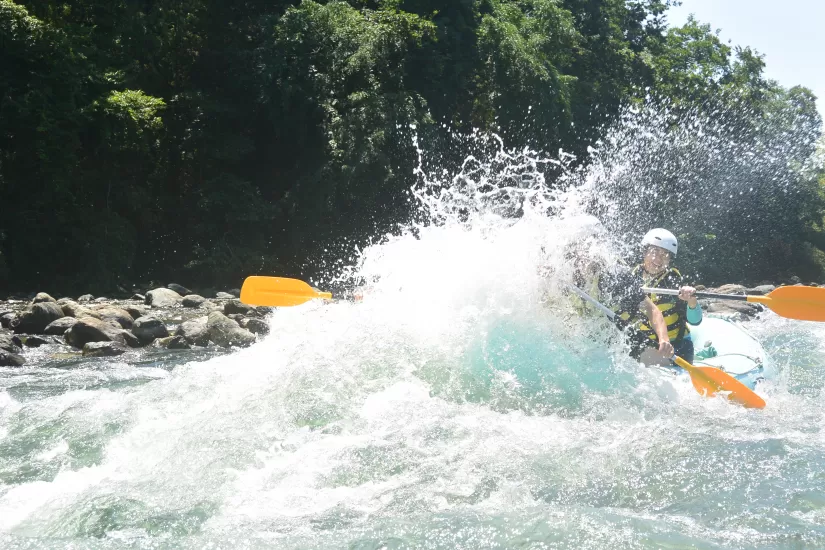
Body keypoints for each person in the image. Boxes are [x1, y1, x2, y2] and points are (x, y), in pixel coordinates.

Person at [565, 236, 675, 364]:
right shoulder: (566, 270)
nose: (583, 259)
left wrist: (664, 339)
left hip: (617, 337)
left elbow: (651, 308)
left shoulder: (615, 276)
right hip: (583, 333)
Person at [630, 228, 702, 365]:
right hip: (646, 344)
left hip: (677, 346)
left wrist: (692, 301)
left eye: (665, 255)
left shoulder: (673, 281)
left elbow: (695, 321)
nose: (658, 259)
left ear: (669, 260)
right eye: (654, 251)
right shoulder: (633, 276)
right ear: (645, 252)